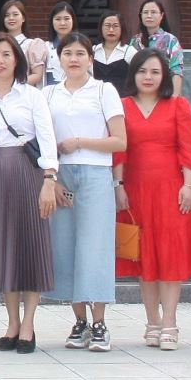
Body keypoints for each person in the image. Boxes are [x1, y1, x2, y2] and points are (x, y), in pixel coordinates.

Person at [115, 48, 191, 351]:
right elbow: (119, 151)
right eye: (142, 71)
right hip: (135, 189)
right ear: (133, 74)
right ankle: (152, 322)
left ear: (164, 76)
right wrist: (118, 185)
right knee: (144, 257)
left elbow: (187, 148)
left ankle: (170, 322)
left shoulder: (178, 105)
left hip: (172, 190)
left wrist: (188, 185)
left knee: (170, 255)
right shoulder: (122, 106)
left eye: (155, 72)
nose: (148, 77)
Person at [0, 33, 58, 353]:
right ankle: (11, 322)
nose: (0, 60)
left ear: (17, 60)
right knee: (4, 249)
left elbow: (47, 139)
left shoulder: (32, 96)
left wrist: (49, 180)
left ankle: (29, 324)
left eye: (6, 54)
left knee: (30, 246)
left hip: (29, 174)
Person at [44, 32, 126, 352]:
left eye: (80, 53)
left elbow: (119, 141)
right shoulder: (49, 94)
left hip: (95, 173)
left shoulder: (104, 91)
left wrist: (79, 142)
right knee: (65, 246)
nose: (74, 59)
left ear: (91, 59)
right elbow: (42, 142)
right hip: (61, 176)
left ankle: (100, 322)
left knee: (96, 247)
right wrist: (51, 178)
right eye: (68, 53)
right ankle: (79, 321)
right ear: (59, 59)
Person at [133, 0, 184, 90]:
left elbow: (177, 71)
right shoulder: (135, 40)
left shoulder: (171, 40)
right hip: (139, 92)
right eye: (145, 12)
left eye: (153, 12)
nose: (149, 16)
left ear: (162, 15)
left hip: (163, 91)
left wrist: (174, 96)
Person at [0, 0, 51, 88]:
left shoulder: (32, 45)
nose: (11, 18)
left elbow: (37, 75)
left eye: (15, 14)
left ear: (23, 18)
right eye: (7, 15)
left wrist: (13, 85)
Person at [93, 11, 136, 97]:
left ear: (122, 28)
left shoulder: (130, 51)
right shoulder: (93, 51)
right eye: (107, 25)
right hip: (96, 99)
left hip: (122, 99)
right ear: (101, 28)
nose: (111, 30)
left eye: (115, 26)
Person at [43, 2, 76, 86]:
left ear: (73, 20)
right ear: (52, 21)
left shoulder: (82, 46)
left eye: (66, 19)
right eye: (58, 19)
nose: (62, 23)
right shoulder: (45, 47)